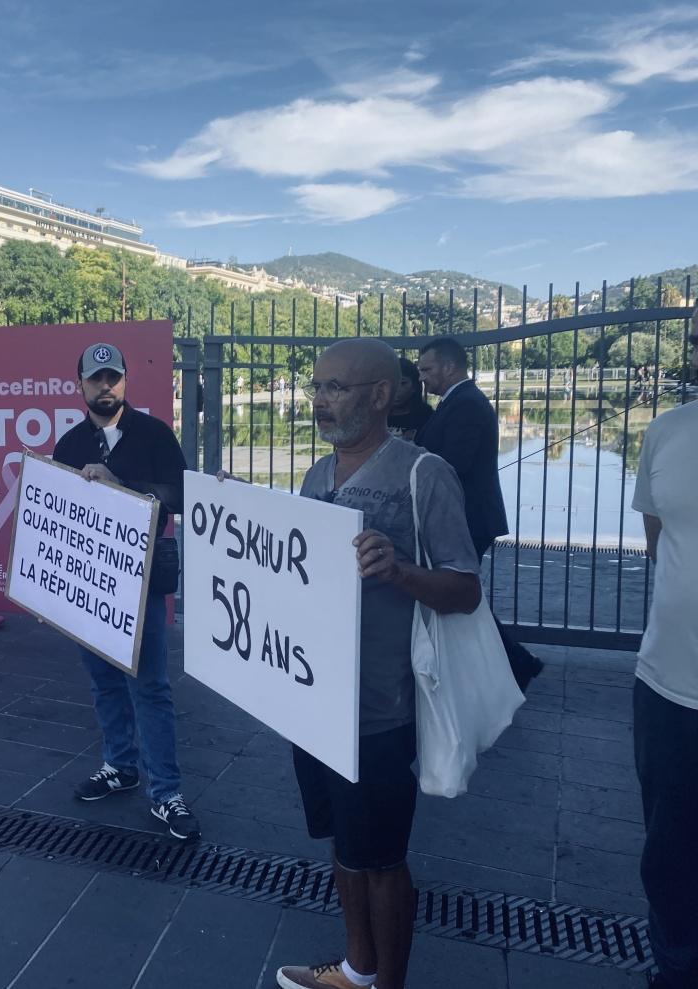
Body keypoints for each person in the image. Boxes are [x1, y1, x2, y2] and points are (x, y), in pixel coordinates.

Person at [275, 339, 480, 989]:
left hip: (382, 709)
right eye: (316, 387)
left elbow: (466, 589)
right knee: (343, 845)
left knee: (383, 858)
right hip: (314, 702)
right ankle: (358, 967)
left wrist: (399, 571)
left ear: (381, 395)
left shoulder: (424, 474)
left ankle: (387, 981)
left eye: (336, 387)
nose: (320, 400)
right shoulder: (313, 478)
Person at [52, 342, 200, 842]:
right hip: (86, 588)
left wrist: (123, 485)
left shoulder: (155, 434)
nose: (105, 386)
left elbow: (182, 495)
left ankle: (166, 793)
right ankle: (120, 766)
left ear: (125, 382)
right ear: (80, 386)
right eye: (96, 379)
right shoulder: (69, 445)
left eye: (113, 377)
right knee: (104, 682)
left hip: (140, 586)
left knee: (150, 688)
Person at [630, 306, 698, 989]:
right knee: (670, 854)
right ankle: (675, 970)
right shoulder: (669, 432)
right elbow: (660, 542)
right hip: (669, 687)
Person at [415, 337, 543, 692]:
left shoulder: (466, 404)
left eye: (427, 369)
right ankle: (516, 664)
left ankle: (518, 664)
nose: (422, 378)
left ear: (449, 367)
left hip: (468, 517)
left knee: (461, 596)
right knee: (461, 596)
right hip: (465, 516)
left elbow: (452, 464)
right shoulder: (456, 401)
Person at [386, 358, 433, 441]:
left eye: (402, 383)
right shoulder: (376, 415)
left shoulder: (426, 415)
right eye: (391, 383)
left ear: (414, 386)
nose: (396, 389)